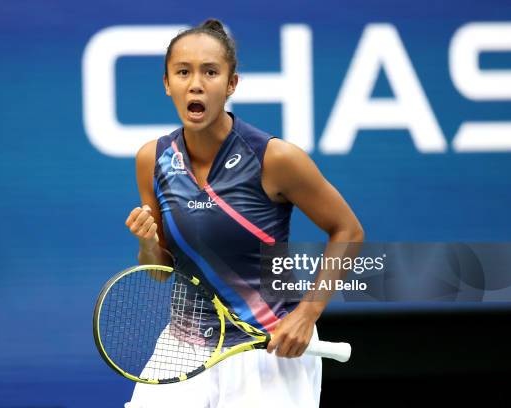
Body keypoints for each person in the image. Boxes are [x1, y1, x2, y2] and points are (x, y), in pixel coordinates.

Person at [124, 18, 363, 408]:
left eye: (210, 72)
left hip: (267, 345)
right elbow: (157, 269)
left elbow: (348, 230)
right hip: (184, 345)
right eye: (183, 72)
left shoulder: (275, 158)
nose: (196, 83)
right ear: (167, 83)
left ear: (231, 84)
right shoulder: (153, 159)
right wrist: (148, 244)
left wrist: (308, 313)